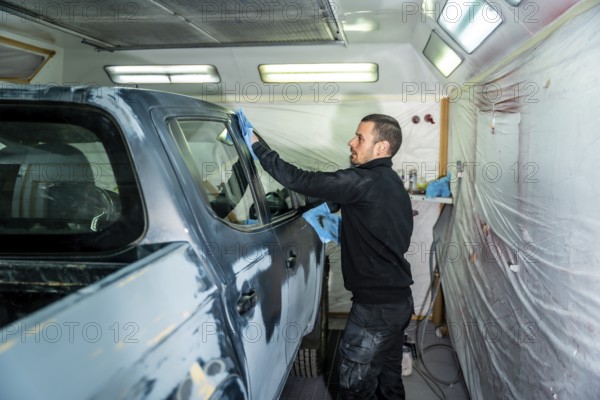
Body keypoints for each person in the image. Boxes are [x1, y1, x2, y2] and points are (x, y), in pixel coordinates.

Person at [250, 113, 414, 399]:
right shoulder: (391, 183)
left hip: (374, 310)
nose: (351, 142)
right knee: (389, 378)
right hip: (398, 301)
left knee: (354, 385)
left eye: (360, 137)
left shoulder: (361, 181)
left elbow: (297, 178)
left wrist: (255, 145)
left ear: (381, 147)